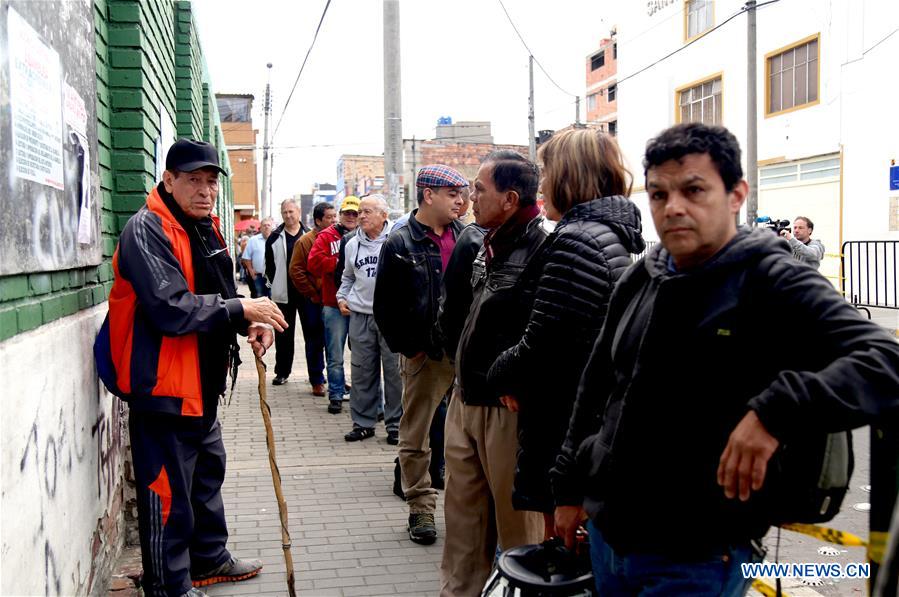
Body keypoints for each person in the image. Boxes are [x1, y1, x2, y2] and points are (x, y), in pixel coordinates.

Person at [551, 123, 899, 596]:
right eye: (658, 194)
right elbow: (596, 386)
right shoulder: (643, 275)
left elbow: (885, 360)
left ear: (736, 195)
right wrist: (569, 489)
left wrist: (775, 411)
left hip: (697, 556)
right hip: (609, 539)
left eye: (694, 190)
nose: (672, 207)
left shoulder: (772, 278)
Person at [95, 139, 289, 597]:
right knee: (167, 491)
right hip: (162, 387)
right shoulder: (146, 230)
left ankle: (208, 558)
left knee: (206, 475)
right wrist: (243, 310)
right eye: (193, 181)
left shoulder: (206, 229)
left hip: (201, 383)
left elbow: (224, 298)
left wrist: (252, 326)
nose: (204, 191)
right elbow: (171, 308)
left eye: (210, 182)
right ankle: (168, 585)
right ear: (168, 180)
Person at [485, 129, 644, 537]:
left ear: (570, 176)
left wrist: (499, 371)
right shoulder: (606, 236)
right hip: (582, 415)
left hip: (563, 422)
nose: (542, 184)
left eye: (547, 171)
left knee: (561, 550)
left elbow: (543, 342)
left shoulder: (576, 242)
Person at [439, 151, 547, 595]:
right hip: (465, 401)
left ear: (510, 198)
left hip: (507, 412)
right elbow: (459, 314)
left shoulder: (545, 249)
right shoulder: (482, 242)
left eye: (479, 190)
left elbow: (547, 336)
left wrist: (517, 382)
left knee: (520, 537)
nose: (470, 197)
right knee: (462, 528)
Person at [373, 164, 468, 545]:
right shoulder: (400, 242)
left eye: (463, 193)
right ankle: (420, 509)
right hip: (422, 354)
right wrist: (408, 348)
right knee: (416, 436)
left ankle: (462, 510)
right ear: (428, 195)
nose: (460, 200)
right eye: (452, 193)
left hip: (462, 351)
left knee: (466, 433)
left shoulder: (467, 237)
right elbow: (385, 306)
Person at [336, 195, 402, 443]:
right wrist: (342, 297)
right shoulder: (352, 244)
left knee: (395, 374)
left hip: (391, 318)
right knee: (363, 372)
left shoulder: (398, 240)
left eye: (367, 212)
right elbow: (348, 277)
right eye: (360, 212)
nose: (361, 216)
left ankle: (396, 425)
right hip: (361, 316)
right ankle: (363, 422)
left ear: (384, 215)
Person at [308, 196, 360, 413]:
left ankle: (361, 396)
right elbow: (312, 263)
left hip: (360, 305)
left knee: (362, 356)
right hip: (332, 303)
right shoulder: (326, 236)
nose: (350, 217)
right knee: (335, 354)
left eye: (354, 213)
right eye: (347, 213)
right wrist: (339, 263)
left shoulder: (366, 236)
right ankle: (336, 395)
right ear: (340, 215)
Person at [288, 201, 335, 397]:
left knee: (332, 341)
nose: (334, 220)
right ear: (318, 220)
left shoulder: (337, 238)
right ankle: (316, 380)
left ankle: (335, 380)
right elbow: (296, 271)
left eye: (335, 216)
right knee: (315, 341)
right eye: (329, 217)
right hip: (314, 301)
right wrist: (312, 294)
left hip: (332, 300)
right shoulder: (305, 241)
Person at [264, 199, 305, 386]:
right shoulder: (274, 237)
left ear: (299, 211)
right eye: (284, 212)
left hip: (306, 293)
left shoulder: (310, 235)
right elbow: (269, 266)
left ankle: (316, 375)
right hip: (282, 294)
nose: (288, 216)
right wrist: (273, 285)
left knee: (313, 335)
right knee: (283, 335)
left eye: (291, 211)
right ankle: (282, 372)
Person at [241, 218, 273, 298]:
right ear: (260, 228)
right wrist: (251, 271)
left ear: (271, 227)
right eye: (264, 225)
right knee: (259, 298)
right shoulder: (253, 240)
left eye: (268, 225)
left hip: (273, 276)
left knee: (272, 299)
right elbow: (246, 257)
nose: (266, 227)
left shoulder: (276, 239)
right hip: (258, 276)